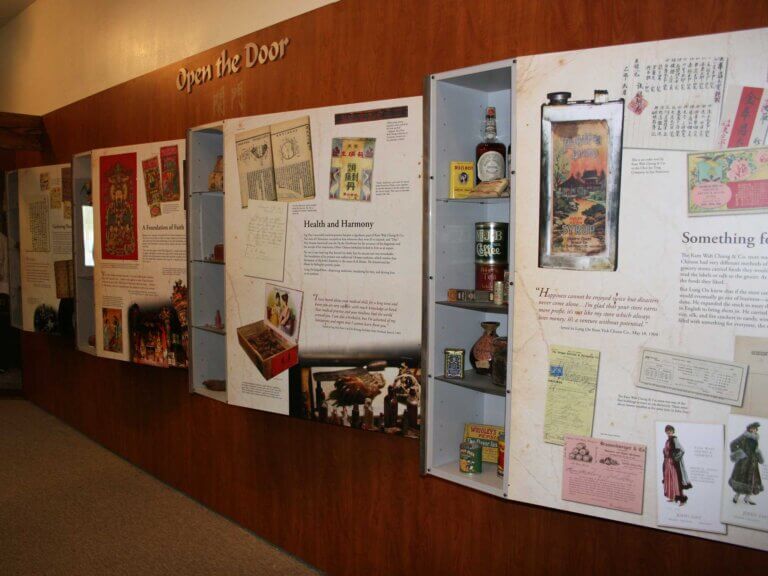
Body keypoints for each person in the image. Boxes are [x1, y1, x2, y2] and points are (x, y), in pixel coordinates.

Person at [729, 422, 764, 505]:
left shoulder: (755, 438)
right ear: (749, 428)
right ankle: (736, 496)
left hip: (753, 463)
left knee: (752, 479)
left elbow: (755, 449)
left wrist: (758, 454)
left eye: (755, 429)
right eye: (752, 428)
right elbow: (733, 444)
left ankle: (747, 497)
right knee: (741, 478)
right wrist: (740, 454)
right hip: (743, 462)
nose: (754, 430)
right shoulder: (744, 436)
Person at [662, 425, 692, 506]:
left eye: (670, 430)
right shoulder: (667, 440)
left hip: (673, 464)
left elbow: (682, 450)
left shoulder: (674, 439)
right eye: (667, 430)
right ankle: (672, 497)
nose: (668, 432)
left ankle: (682, 500)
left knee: (676, 480)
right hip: (667, 463)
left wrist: (675, 459)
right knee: (669, 480)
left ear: (672, 431)